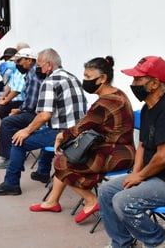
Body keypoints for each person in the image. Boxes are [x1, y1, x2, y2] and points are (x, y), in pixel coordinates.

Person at [98, 56, 165, 248]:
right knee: (106, 191)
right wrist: (136, 174)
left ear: (154, 83)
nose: (133, 84)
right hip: (155, 176)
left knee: (123, 201)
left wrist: (139, 177)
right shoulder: (148, 108)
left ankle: (159, 242)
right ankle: (122, 243)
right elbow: (143, 146)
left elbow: (164, 157)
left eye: (138, 80)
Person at [29, 56, 135, 224]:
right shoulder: (116, 94)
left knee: (62, 162)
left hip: (117, 154)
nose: (84, 80)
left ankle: (91, 200)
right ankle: (52, 201)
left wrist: (61, 135)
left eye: (87, 77)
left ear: (102, 78)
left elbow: (81, 126)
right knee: (67, 156)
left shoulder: (106, 102)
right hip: (116, 149)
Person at [0, 48, 87, 196]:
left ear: (48, 65)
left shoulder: (50, 81)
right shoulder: (72, 77)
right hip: (80, 130)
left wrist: (26, 131)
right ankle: (42, 172)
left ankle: (11, 184)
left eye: (39, 66)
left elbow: (44, 115)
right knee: (44, 132)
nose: (38, 69)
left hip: (65, 133)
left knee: (18, 141)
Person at [0, 48, 42, 169]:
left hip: (39, 113)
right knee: (7, 113)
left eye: (19, 61)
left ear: (29, 60)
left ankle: (11, 157)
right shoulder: (31, 72)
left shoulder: (33, 75)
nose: (17, 64)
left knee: (7, 122)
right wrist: (19, 109)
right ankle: (16, 147)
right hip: (36, 110)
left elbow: (31, 104)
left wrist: (20, 110)